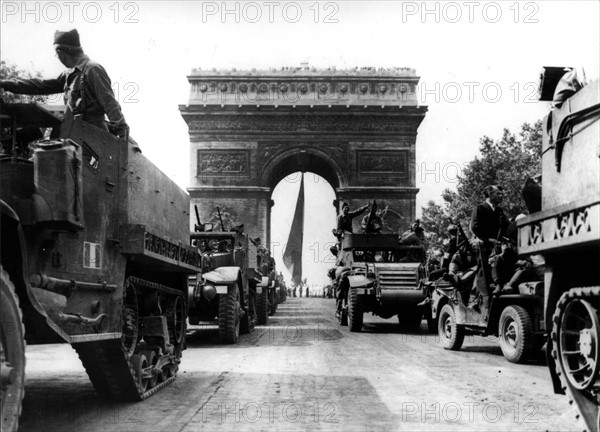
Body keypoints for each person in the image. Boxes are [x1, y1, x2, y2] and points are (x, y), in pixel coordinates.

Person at [0, 29, 136, 149]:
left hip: (93, 136)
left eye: (56, 55)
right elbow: (39, 85)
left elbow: (110, 103)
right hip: (73, 132)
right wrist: (6, 84)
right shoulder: (69, 75)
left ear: (60, 53)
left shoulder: (92, 69)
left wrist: (123, 136)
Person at [470, 185, 510, 296]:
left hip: (497, 245)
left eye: (502, 194)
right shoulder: (480, 208)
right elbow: (474, 226)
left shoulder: (499, 211)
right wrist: (487, 239)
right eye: (498, 194)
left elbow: (507, 227)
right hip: (483, 245)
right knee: (483, 271)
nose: (501, 196)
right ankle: (477, 296)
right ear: (489, 194)